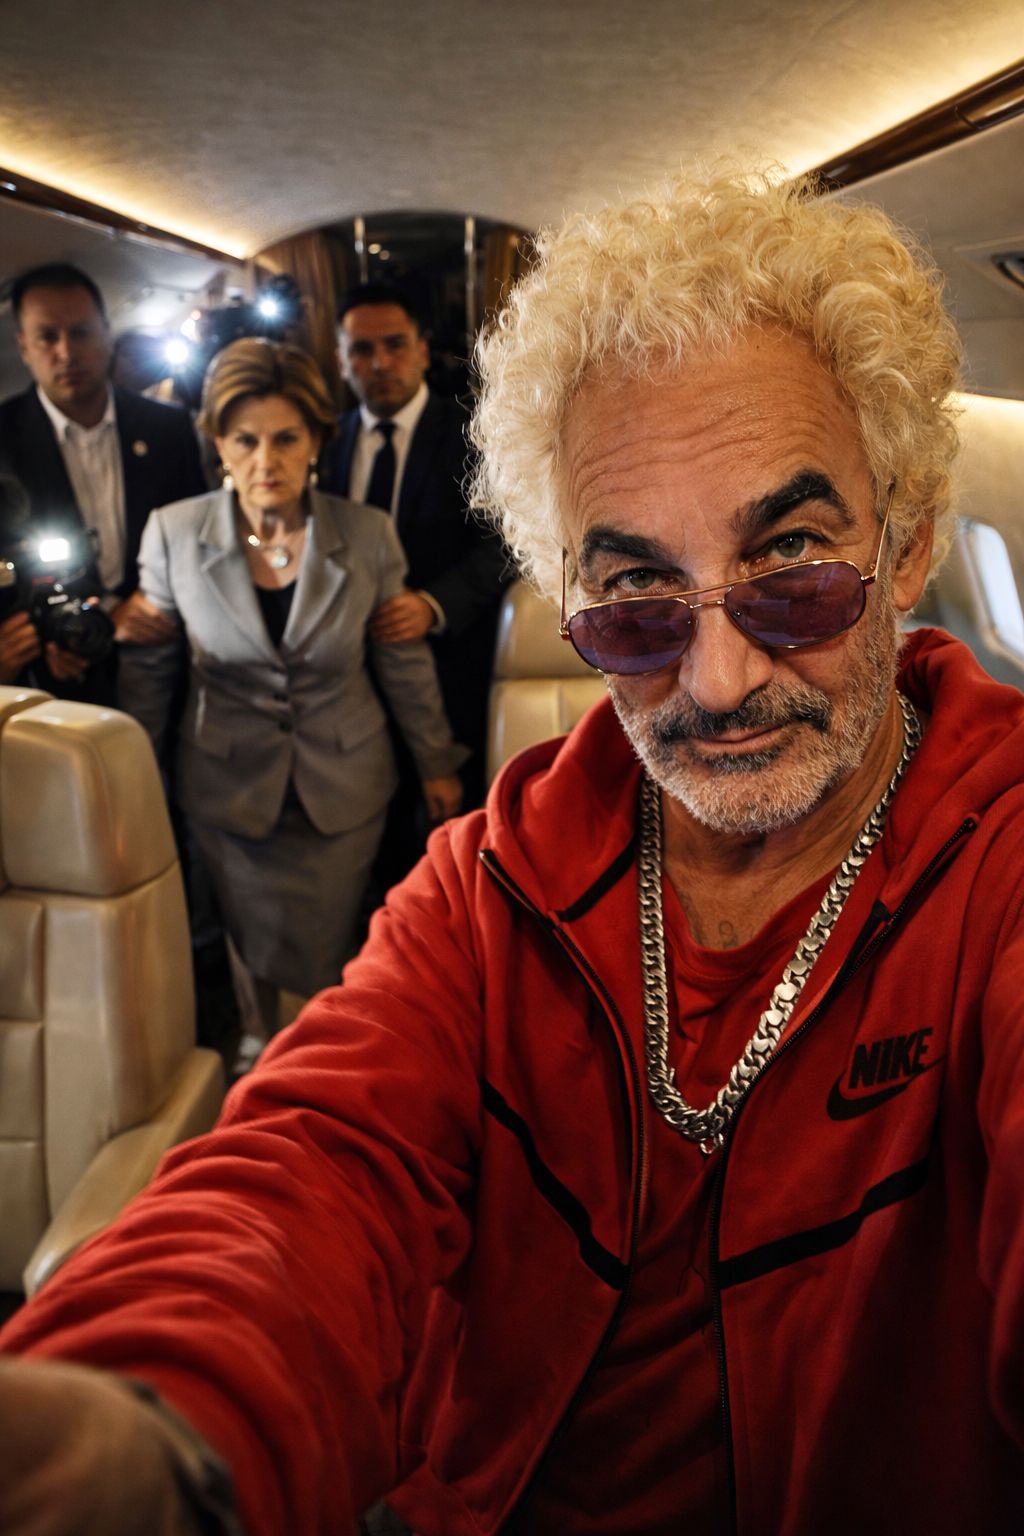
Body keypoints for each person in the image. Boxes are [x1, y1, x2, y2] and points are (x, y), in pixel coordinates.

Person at [2, 165, 1023, 1536]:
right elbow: (314, 1161)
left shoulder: (1002, 854)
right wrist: (144, 1430)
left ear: (904, 545)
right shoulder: (488, 886)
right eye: (637, 592)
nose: (719, 680)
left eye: (791, 560)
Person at [117, 337, 464, 1051]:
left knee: (329, 952)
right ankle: (262, 1054)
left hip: (343, 789)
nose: (265, 461)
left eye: (286, 439)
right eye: (245, 440)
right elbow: (149, 678)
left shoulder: (365, 534)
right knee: (248, 951)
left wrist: (436, 763)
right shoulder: (173, 534)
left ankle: (318, 1062)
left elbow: (403, 664)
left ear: (316, 443)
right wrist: (128, 785)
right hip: (226, 790)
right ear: (218, 443)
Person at [322, 283, 511, 878]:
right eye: (362, 350)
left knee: (447, 848)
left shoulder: (473, 433)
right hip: (351, 683)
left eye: (395, 345)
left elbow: (506, 542)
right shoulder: (326, 442)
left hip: (447, 669)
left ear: (423, 351)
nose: (379, 363)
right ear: (342, 360)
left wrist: (433, 604)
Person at [0, 263, 206, 700]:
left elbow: (200, 538)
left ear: (108, 335)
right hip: (55, 676)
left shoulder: (169, 428)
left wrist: (149, 602)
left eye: (81, 333)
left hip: (165, 656)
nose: (66, 353)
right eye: (47, 337)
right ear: (23, 347)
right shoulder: (3, 441)